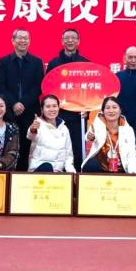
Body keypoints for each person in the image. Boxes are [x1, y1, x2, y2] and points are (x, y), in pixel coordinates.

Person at [0, 28, 44, 171]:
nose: (23, 41)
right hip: (9, 111)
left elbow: (38, 87)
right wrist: (14, 103)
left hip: (30, 111)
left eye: (25, 38)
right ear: (13, 41)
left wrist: (22, 103)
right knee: (7, 146)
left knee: (26, 146)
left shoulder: (36, 62)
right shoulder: (4, 62)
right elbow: (0, 85)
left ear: (30, 41)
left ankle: (22, 175)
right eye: (19, 38)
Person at [45, 28, 89, 171]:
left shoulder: (85, 63)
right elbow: (48, 89)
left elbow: (90, 91)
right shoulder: (54, 64)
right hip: (57, 115)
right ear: (62, 41)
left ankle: (77, 178)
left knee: (77, 150)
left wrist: (87, 109)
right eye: (67, 38)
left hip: (78, 115)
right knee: (57, 149)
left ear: (78, 41)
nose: (70, 41)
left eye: (73, 38)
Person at [81, 96, 136, 173]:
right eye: (107, 108)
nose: (111, 111)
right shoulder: (98, 124)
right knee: (90, 165)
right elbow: (88, 136)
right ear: (103, 111)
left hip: (120, 167)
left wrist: (134, 173)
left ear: (120, 110)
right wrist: (90, 137)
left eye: (114, 107)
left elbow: (132, 154)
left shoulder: (128, 130)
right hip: (101, 166)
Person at [27, 95, 76, 173]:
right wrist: (33, 129)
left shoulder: (64, 128)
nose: (51, 109)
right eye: (48, 106)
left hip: (57, 173)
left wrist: (72, 173)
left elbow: (68, 155)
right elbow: (31, 135)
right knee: (47, 166)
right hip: (39, 171)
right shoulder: (38, 124)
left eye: (54, 106)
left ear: (58, 108)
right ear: (42, 109)